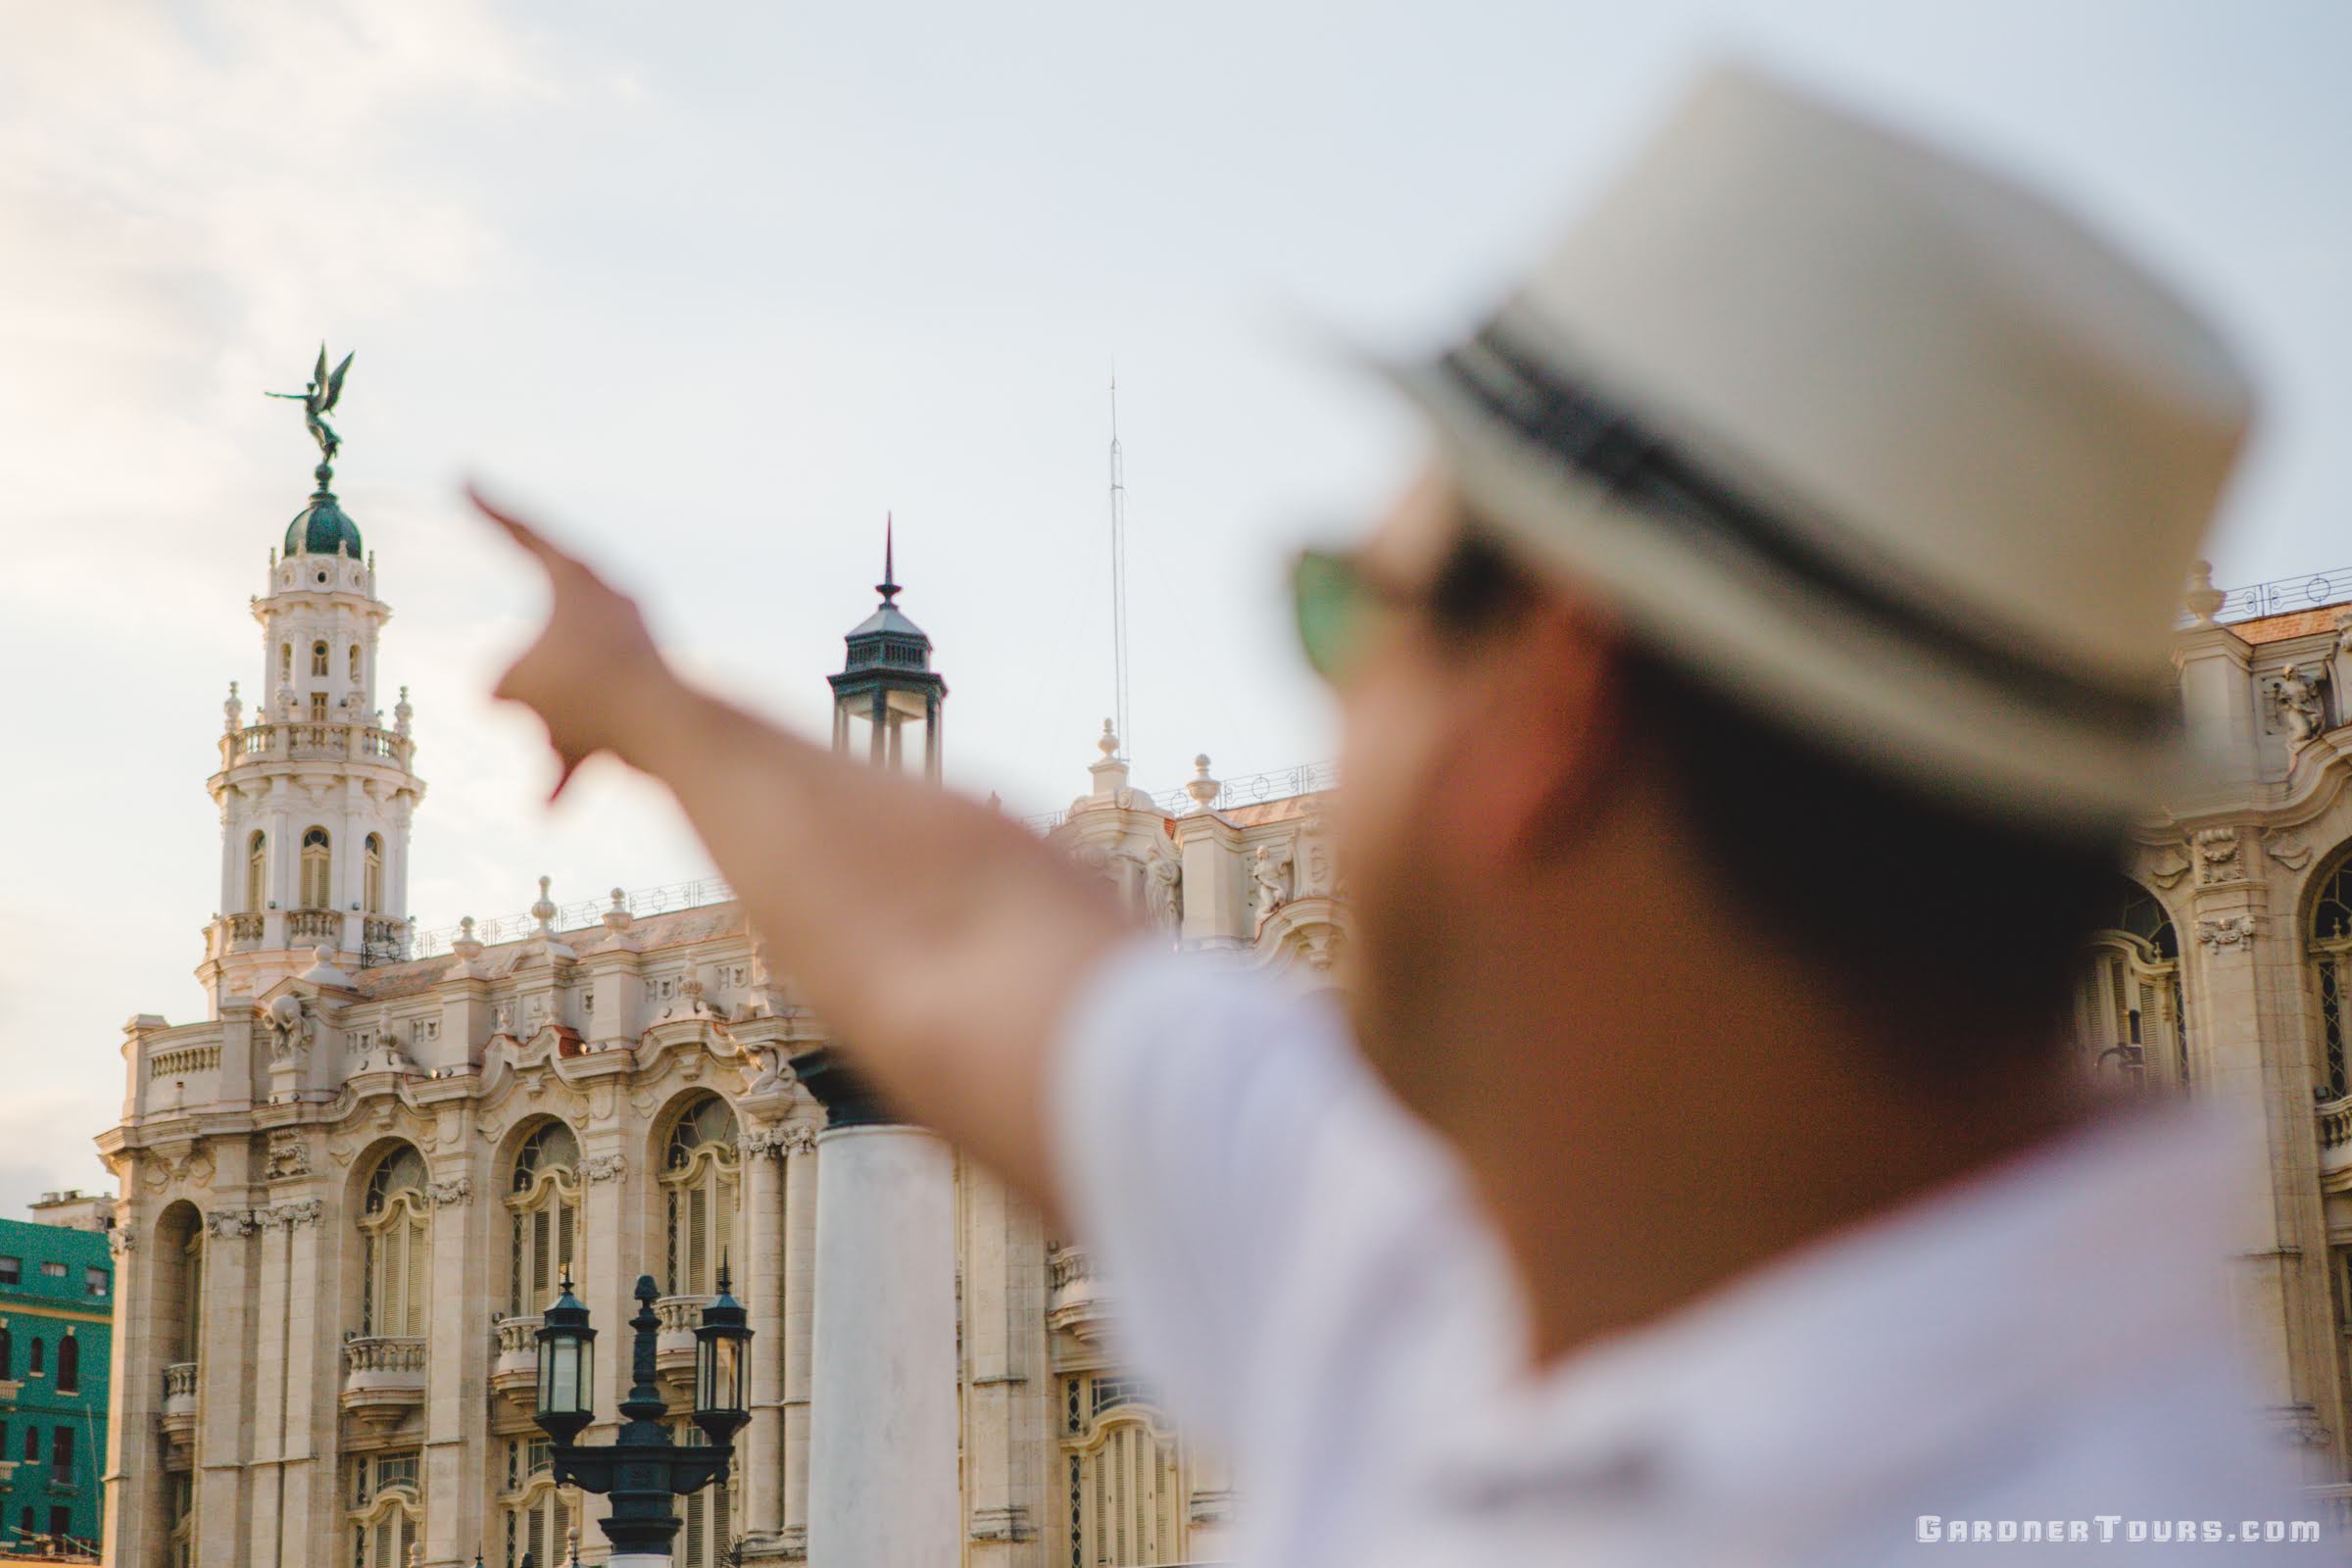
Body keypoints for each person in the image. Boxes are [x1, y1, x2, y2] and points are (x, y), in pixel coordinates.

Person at [480, 62, 2308, 1565]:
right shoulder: (1466, 1240)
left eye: (1343, 609)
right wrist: (646, 697)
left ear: (1550, 708)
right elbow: (965, 934)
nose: (1329, 698)